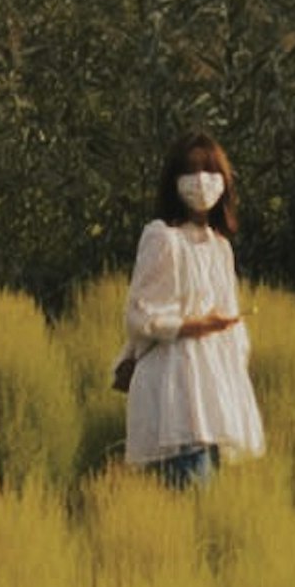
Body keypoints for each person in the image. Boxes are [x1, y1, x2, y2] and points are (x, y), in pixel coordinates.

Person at [123, 133, 268, 485]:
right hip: (175, 384)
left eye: (211, 171)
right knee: (189, 482)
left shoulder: (220, 247)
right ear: (174, 181)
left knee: (210, 484)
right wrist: (196, 326)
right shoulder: (163, 238)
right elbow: (139, 314)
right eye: (192, 172)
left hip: (215, 385)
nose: (202, 182)